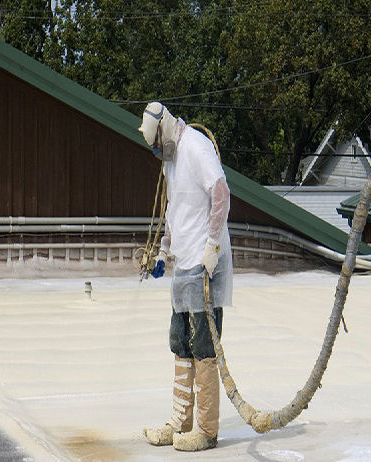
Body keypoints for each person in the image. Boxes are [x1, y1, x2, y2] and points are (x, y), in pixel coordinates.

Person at [138, 102, 233, 451]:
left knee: (204, 344)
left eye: (157, 145)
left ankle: (207, 430)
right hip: (183, 262)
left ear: (164, 132)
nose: (157, 152)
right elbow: (173, 207)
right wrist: (164, 249)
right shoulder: (171, 160)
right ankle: (180, 420)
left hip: (206, 263)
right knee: (180, 340)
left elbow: (221, 194)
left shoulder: (195, 146)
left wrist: (212, 246)